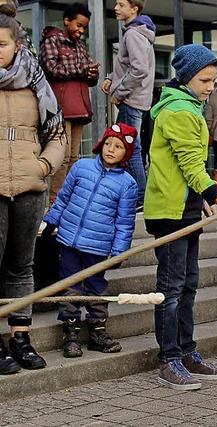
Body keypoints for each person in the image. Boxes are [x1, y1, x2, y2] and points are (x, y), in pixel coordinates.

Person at [144, 44, 217, 390]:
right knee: (171, 290)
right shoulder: (178, 112)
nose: (209, 87)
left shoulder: (191, 107)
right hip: (168, 213)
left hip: (185, 208)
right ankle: (168, 358)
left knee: (188, 285)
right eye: (204, 80)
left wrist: (200, 201)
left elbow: (191, 167)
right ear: (187, 77)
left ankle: (187, 352)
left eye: (213, 81)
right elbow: (190, 166)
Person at [0, 15, 66, 374]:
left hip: (29, 188)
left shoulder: (37, 82)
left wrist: (42, 167)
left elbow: (57, 134)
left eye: (0, 45)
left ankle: (21, 338)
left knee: (21, 266)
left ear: (17, 46)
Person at [42, 123, 138, 358]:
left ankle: (97, 332)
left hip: (98, 246)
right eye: (107, 143)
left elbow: (124, 222)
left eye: (118, 146)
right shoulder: (81, 167)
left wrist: (119, 252)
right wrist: (50, 222)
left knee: (96, 287)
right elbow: (63, 198)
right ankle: (71, 334)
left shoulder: (127, 184)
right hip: (69, 241)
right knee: (70, 285)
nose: (111, 150)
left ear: (127, 153)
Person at [40, 2, 100, 204]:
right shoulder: (52, 39)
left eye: (84, 27)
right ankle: (54, 201)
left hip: (80, 107)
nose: (81, 31)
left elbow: (87, 77)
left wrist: (92, 74)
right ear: (67, 21)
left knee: (74, 157)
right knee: (62, 157)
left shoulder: (81, 45)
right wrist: (81, 71)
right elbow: (49, 68)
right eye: (79, 25)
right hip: (61, 107)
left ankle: (67, 200)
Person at [101, 0, 155, 207]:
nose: (116, 7)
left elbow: (139, 69)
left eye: (121, 4)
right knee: (127, 145)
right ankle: (134, 194)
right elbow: (126, 66)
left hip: (131, 100)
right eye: (116, 3)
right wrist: (110, 78)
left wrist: (120, 92)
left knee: (128, 147)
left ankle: (141, 196)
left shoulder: (133, 34)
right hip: (135, 99)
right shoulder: (136, 31)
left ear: (134, 9)